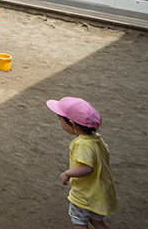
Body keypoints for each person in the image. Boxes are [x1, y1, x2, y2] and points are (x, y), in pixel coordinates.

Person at [47, 97, 118, 228]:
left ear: (72, 124)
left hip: (85, 194)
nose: (59, 122)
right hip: (99, 192)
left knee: (79, 221)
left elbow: (87, 167)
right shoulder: (96, 139)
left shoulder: (82, 145)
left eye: (60, 119)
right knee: (96, 220)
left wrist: (68, 173)